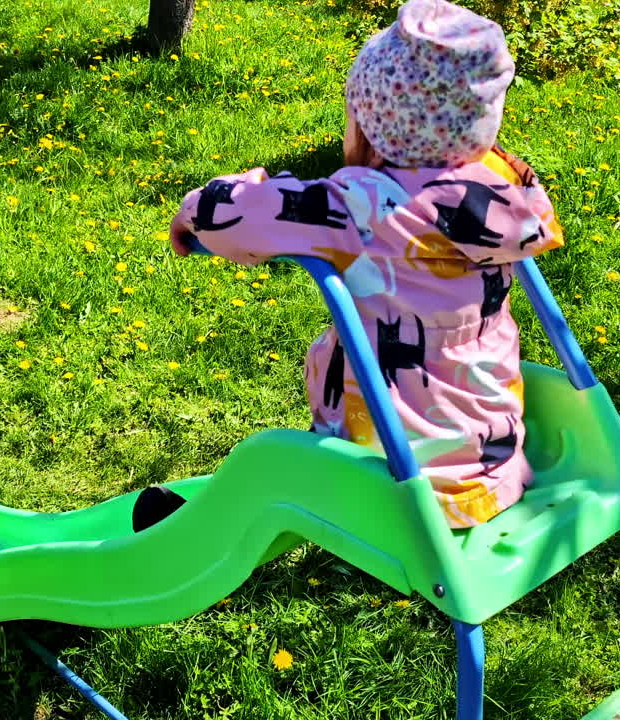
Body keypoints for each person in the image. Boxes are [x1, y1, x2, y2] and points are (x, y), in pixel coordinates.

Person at [132, 0, 563, 533]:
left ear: (374, 126)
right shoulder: (499, 193)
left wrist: (218, 198)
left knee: (270, 464)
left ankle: (196, 531)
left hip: (400, 483)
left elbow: (232, 217)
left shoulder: (364, 205)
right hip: (489, 470)